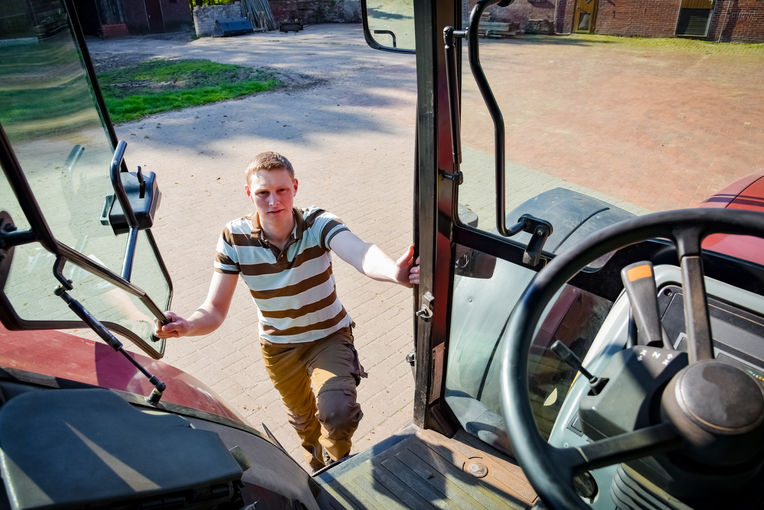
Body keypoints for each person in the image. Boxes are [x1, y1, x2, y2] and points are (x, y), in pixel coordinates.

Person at [154, 151, 419, 471]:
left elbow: (360, 253)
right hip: (279, 347)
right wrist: (187, 326)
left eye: (281, 190)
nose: (273, 201)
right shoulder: (234, 239)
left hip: (328, 335)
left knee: (337, 412)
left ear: (294, 187)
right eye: (263, 193)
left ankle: (338, 458)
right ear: (249, 194)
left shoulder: (318, 223)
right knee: (302, 418)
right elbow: (213, 310)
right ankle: (316, 460)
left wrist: (395, 272)